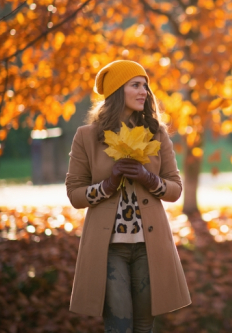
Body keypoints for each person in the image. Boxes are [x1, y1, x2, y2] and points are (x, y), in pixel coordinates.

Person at [65, 60, 191, 332]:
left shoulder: (156, 133)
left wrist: (148, 179)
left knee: (144, 326)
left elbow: (175, 189)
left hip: (150, 246)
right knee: (119, 326)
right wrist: (108, 185)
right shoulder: (87, 137)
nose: (144, 91)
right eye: (135, 85)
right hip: (110, 248)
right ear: (116, 92)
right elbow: (75, 195)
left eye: (145, 85)